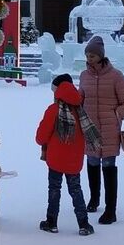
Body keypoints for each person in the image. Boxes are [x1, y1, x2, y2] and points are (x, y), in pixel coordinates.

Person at [36, 73, 99, 236]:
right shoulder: (81, 112)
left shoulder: (54, 110)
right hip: (74, 160)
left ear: (57, 92)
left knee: (54, 189)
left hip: (55, 159)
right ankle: (84, 224)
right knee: (76, 190)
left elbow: (41, 137)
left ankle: (51, 222)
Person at [78, 35, 124, 225]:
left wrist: (117, 112)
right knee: (92, 163)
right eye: (87, 55)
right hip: (90, 129)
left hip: (110, 129)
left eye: (92, 55)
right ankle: (94, 200)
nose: (89, 58)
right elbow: (81, 98)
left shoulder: (116, 76)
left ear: (101, 56)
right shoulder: (84, 76)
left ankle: (111, 210)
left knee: (108, 167)